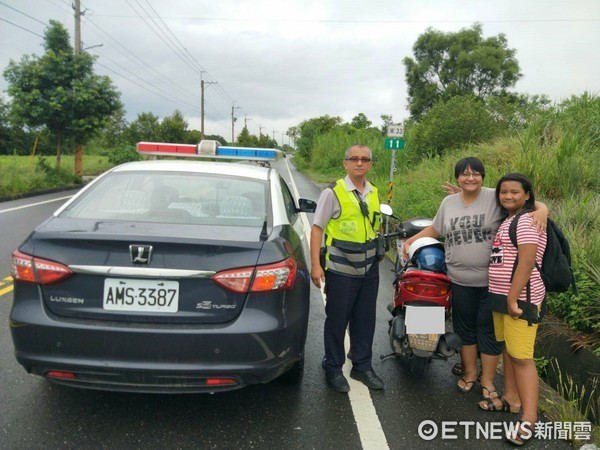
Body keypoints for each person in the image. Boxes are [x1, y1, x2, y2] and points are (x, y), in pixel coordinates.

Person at [403, 157, 547, 403]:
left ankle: (487, 380)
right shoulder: (449, 202)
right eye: (465, 174)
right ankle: (470, 373)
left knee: (488, 332)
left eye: (476, 174)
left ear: (483, 176)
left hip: (493, 283)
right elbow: (436, 229)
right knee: (465, 329)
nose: (470, 178)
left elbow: (527, 200)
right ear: (457, 177)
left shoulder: (495, 196)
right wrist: (411, 240)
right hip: (459, 280)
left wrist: (542, 210)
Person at [310, 144, 384, 393]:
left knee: (365, 321)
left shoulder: (374, 192)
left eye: (365, 159)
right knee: (337, 321)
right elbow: (317, 229)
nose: (359, 163)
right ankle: (333, 367)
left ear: (370, 164)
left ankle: (362, 366)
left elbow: (376, 225)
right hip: (341, 271)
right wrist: (316, 265)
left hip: (369, 270)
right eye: (354, 159)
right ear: (345, 163)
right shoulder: (333, 192)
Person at [479, 173, 546, 446]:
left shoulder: (528, 221)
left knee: (522, 357)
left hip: (519, 299)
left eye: (515, 192)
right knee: (508, 348)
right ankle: (511, 399)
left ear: (527, 195)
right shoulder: (510, 219)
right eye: (503, 192)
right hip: (502, 297)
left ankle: (529, 420)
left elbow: (527, 262)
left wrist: (512, 297)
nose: (508, 196)